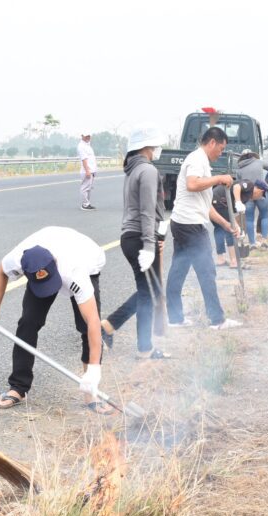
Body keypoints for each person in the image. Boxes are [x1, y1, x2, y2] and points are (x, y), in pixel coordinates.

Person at [0, 226, 108, 412]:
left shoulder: (75, 271)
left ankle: (91, 392)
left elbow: (93, 322)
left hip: (87, 257)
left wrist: (94, 372)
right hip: (49, 252)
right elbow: (1, 272)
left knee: (85, 327)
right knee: (28, 322)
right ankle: (18, 387)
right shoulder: (19, 259)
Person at [100, 127, 170, 359]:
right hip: (141, 238)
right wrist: (150, 246)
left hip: (131, 237)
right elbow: (147, 211)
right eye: (155, 145)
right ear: (146, 147)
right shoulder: (147, 171)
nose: (157, 149)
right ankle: (110, 326)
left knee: (147, 292)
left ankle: (143, 346)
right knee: (150, 292)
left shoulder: (132, 169)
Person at [165, 127, 242, 330]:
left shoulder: (202, 163)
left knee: (178, 270)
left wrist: (226, 224)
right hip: (189, 226)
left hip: (184, 222)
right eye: (221, 148)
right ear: (212, 143)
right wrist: (219, 178)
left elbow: (204, 205)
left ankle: (175, 318)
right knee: (207, 270)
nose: (221, 153)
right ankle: (217, 320)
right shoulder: (196, 159)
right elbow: (192, 184)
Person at [212, 180, 268, 267]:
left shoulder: (246, 197)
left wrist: (240, 229)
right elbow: (236, 187)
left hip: (215, 200)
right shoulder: (250, 185)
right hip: (220, 200)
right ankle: (234, 261)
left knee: (219, 228)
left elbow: (237, 215)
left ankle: (220, 259)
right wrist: (238, 202)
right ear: (260, 191)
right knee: (230, 229)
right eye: (261, 195)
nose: (259, 198)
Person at [236, 151, 268, 248]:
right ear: (253, 156)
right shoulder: (259, 162)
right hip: (261, 192)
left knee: (249, 219)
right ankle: (264, 241)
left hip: (247, 195)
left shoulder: (239, 168)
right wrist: (267, 183)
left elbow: (238, 184)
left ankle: (252, 243)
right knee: (265, 215)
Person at [77, 132, 98, 210]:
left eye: (89, 136)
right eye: (86, 136)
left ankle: (87, 203)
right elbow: (84, 160)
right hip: (87, 170)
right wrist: (87, 171)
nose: (88, 137)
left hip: (92, 170)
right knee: (85, 188)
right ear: (82, 135)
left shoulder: (88, 145)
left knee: (89, 188)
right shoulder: (81, 146)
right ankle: (85, 204)